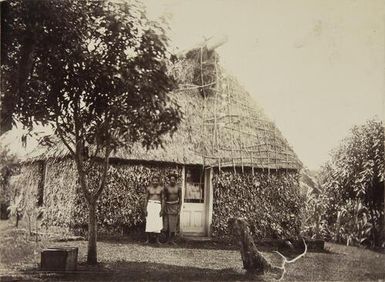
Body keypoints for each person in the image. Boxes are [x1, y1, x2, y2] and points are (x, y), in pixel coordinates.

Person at [144, 175, 164, 244]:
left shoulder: (161, 189)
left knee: (157, 222)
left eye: (156, 181)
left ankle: (157, 240)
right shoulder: (149, 188)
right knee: (149, 222)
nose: (155, 182)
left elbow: (163, 199)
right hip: (150, 205)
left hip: (158, 205)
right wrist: (145, 209)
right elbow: (146, 199)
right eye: (154, 181)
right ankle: (148, 239)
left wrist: (162, 209)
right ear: (151, 181)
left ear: (158, 182)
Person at [163, 173, 182, 245]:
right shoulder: (166, 187)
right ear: (169, 180)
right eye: (171, 179)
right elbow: (164, 198)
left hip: (175, 207)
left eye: (174, 179)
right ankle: (167, 240)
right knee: (167, 225)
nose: (172, 181)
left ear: (176, 180)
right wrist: (164, 207)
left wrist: (179, 208)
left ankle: (172, 240)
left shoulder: (178, 188)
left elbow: (180, 199)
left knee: (173, 225)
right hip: (168, 206)